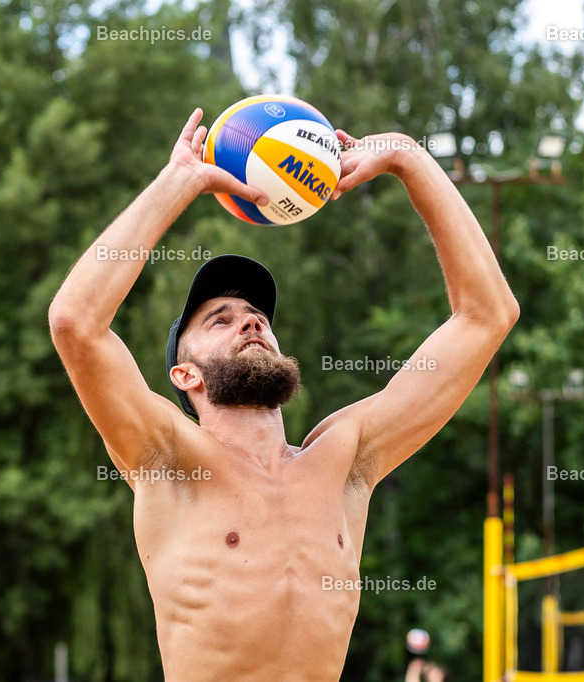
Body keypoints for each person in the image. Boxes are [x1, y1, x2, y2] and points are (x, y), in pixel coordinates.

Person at [48, 107, 519, 681]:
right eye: (220, 320)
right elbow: (75, 322)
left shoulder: (345, 460)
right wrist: (180, 181)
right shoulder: (167, 459)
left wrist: (408, 156)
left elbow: (488, 316)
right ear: (186, 375)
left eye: (257, 317)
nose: (250, 322)